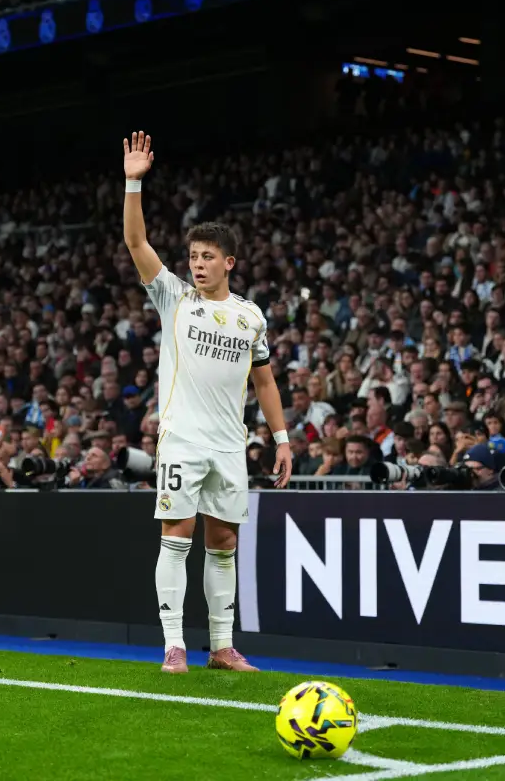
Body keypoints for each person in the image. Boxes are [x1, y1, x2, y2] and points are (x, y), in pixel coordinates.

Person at [122, 131, 292, 674]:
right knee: (177, 537)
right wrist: (133, 182)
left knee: (223, 544)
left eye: (207, 257)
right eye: (193, 256)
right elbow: (135, 243)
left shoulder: (251, 316)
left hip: (229, 444)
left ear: (229, 263)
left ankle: (221, 646)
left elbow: (264, 382)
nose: (197, 264)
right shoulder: (174, 297)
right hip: (182, 438)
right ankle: (174, 644)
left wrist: (283, 439)